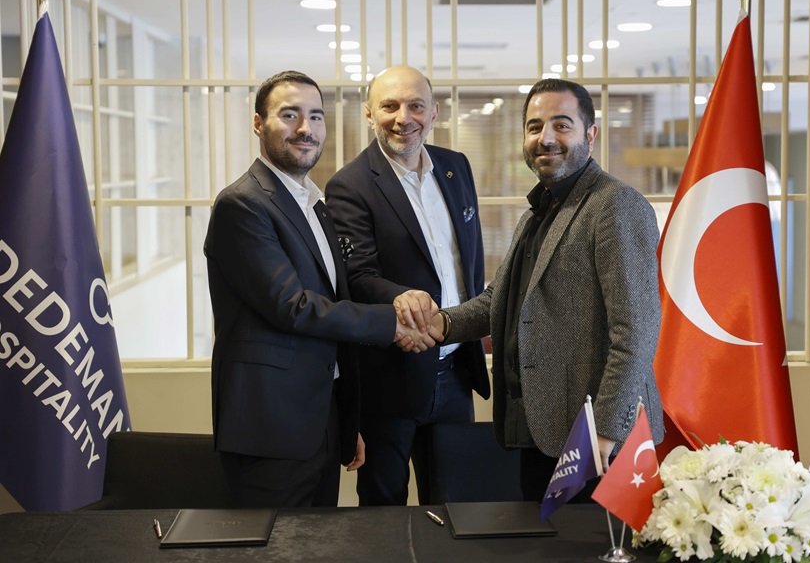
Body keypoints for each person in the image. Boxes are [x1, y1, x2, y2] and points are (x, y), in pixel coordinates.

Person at [204, 70, 436, 508]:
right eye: (289, 115)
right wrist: (395, 322)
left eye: (315, 116)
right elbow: (292, 307)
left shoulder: (315, 206)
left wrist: (347, 423)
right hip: (269, 428)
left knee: (320, 548)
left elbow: (335, 306)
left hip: (321, 423)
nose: (305, 129)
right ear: (258, 124)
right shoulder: (243, 205)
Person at [433, 78, 664, 501]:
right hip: (543, 430)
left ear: (590, 135)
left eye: (562, 125)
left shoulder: (614, 204)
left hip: (596, 441)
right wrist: (438, 325)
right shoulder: (538, 211)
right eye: (535, 126)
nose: (546, 138)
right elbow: (499, 302)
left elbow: (637, 330)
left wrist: (605, 435)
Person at [325, 66, 490, 506]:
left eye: (416, 105)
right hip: (390, 383)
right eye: (390, 106)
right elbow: (357, 277)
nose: (404, 117)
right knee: (385, 512)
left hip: (456, 373)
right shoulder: (350, 185)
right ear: (369, 113)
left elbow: (467, 265)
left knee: (458, 505)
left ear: (434, 112)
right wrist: (400, 297)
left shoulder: (456, 168)